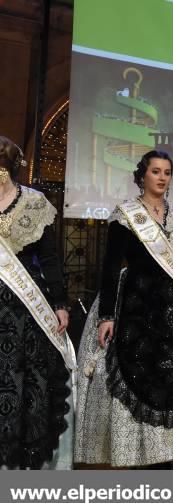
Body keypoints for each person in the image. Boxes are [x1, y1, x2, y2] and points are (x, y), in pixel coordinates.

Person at [75, 150, 173, 468]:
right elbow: (109, 269)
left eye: (167, 172)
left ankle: (171, 448)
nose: (162, 177)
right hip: (138, 304)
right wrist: (107, 315)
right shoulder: (125, 216)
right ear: (142, 176)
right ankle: (144, 453)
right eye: (156, 171)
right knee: (142, 374)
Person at [0, 137, 74, 469]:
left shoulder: (35, 202)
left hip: (26, 309)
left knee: (27, 378)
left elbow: (50, 258)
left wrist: (60, 302)